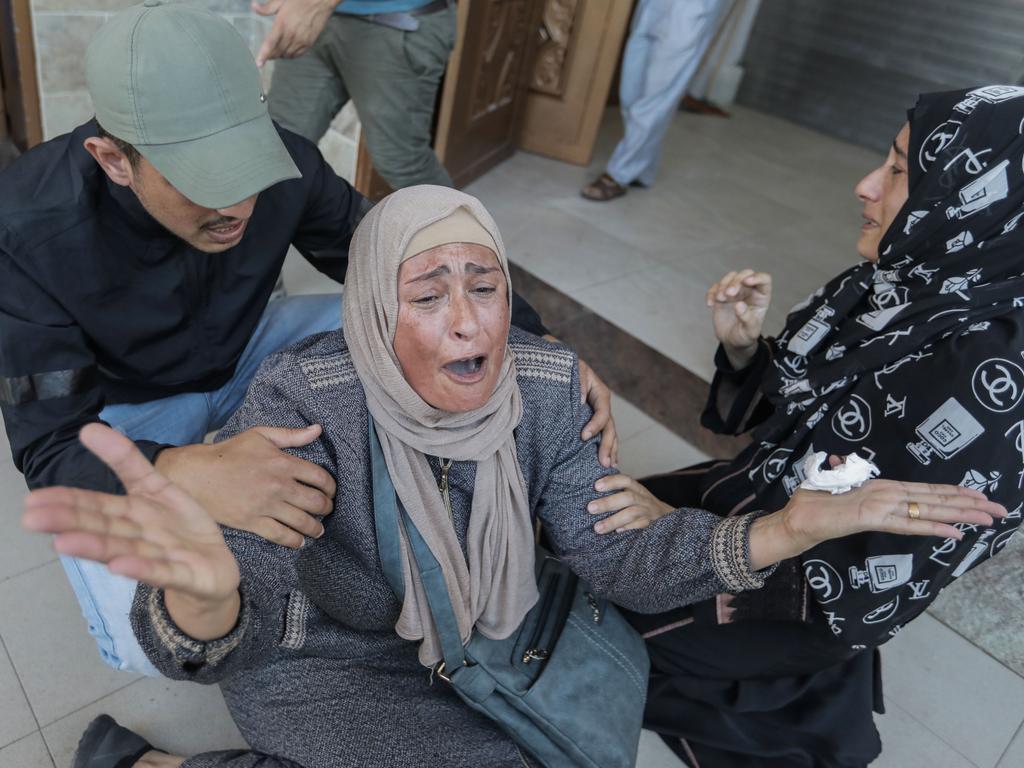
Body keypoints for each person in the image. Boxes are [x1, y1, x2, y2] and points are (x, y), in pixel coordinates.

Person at [24, 186, 1003, 768]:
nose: (468, 322)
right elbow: (244, 607)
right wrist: (203, 607)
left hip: (483, 634)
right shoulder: (303, 395)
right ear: (371, 310)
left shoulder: (536, 391)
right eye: (425, 292)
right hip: (324, 653)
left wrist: (789, 527)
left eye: (484, 284)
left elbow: (613, 555)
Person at [0, 0, 595, 678]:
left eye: (242, 167)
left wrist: (542, 346)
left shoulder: (289, 163)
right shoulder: (24, 231)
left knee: (416, 321)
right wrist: (185, 471)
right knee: (147, 640)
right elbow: (49, 446)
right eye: (202, 181)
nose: (236, 207)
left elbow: (402, 262)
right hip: (131, 406)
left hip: (252, 345)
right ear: (113, 160)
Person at [589, 85, 1024, 766]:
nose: (865, 186)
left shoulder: (995, 388)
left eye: (900, 172)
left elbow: (856, 577)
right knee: (579, 525)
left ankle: (790, 686)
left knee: (582, 616)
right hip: (764, 506)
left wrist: (678, 542)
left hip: (800, 594)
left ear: (977, 201)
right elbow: (786, 428)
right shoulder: (908, 284)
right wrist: (743, 348)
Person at [255, 0, 456, 190]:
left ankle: (462, 226)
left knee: (403, 163)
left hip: (397, 20)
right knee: (278, 148)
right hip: (311, 18)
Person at [581, 0, 725, 202]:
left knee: (657, 96)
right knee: (631, 92)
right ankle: (643, 170)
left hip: (692, 7)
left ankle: (617, 175)